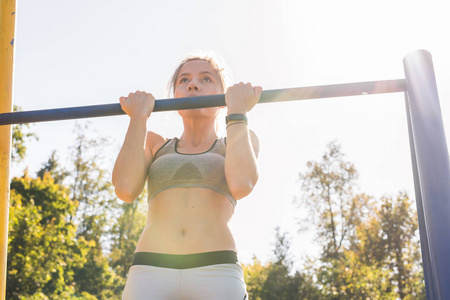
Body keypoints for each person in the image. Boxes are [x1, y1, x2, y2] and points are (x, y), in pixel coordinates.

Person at [113, 54, 262, 300]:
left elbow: (241, 184)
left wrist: (237, 111)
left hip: (217, 268)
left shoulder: (236, 139)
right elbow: (124, 189)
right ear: (175, 95)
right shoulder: (154, 144)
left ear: (223, 97)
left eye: (206, 79)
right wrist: (138, 117)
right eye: (184, 80)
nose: (193, 85)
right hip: (151, 268)